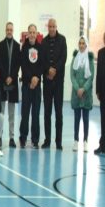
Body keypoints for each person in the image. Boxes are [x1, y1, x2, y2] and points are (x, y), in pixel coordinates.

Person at [42, 18, 67, 150]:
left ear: (56, 27)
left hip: (58, 83)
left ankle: (58, 141)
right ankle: (47, 140)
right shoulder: (44, 41)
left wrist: (54, 70)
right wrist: (48, 70)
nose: (51, 29)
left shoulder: (62, 40)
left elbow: (63, 58)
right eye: (50, 26)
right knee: (47, 113)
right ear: (48, 27)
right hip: (47, 82)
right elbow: (42, 60)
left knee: (58, 113)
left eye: (53, 26)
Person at [20, 24, 46, 149]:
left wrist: (36, 77)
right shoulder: (24, 48)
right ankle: (23, 138)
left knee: (35, 114)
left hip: (37, 87)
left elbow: (42, 65)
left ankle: (35, 140)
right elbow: (23, 66)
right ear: (27, 34)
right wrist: (31, 78)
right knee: (25, 113)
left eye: (33, 32)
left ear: (36, 34)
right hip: (26, 85)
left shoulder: (41, 48)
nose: (31, 34)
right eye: (30, 32)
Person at [0, 22, 21, 148]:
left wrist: (12, 76)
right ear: (5, 30)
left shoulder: (17, 46)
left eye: (11, 29)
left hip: (13, 81)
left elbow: (18, 64)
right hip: (2, 81)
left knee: (12, 112)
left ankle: (12, 137)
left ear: (13, 30)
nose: (9, 31)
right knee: (1, 112)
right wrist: (6, 76)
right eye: (7, 29)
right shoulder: (0, 45)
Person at [70, 37, 94, 152]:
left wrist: (83, 88)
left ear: (86, 45)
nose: (81, 45)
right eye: (79, 43)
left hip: (86, 95)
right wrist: (77, 88)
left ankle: (85, 141)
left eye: (83, 43)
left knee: (85, 118)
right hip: (76, 94)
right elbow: (72, 75)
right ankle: (76, 140)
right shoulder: (75, 58)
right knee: (76, 118)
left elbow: (91, 77)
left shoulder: (90, 59)